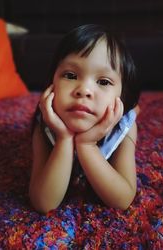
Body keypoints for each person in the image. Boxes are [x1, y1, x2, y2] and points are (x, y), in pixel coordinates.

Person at [29, 24, 140, 213]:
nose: (84, 90)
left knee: (134, 111)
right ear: (51, 85)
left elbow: (122, 199)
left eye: (103, 81)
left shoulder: (124, 127)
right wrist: (64, 138)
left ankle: (136, 107)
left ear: (121, 95)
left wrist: (87, 145)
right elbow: (43, 202)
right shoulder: (45, 125)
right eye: (70, 75)